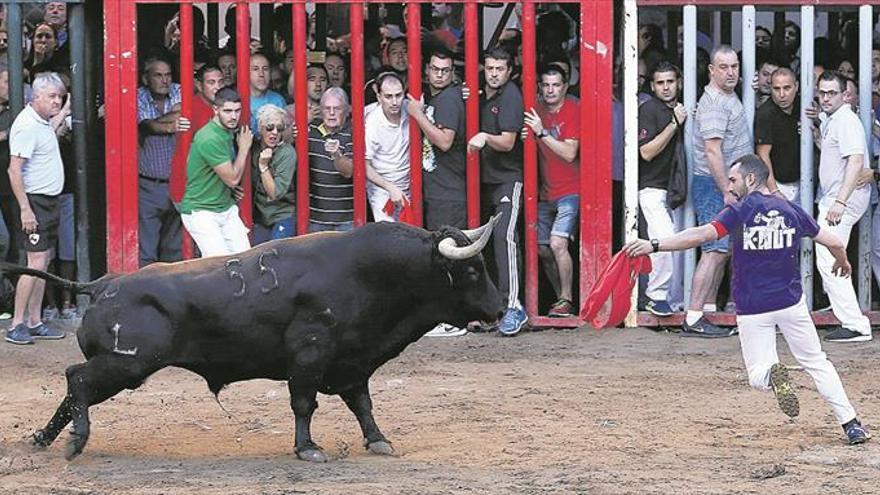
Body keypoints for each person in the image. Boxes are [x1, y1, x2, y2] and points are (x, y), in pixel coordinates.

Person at [625, 155, 871, 445]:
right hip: (790, 303)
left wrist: (654, 244)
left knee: (757, 375)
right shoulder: (791, 210)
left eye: (733, 179)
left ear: (751, 179)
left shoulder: (739, 211)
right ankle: (851, 424)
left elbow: (701, 235)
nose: (729, 186)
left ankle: (772, 377)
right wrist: (843, 262)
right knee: (818, 362)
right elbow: (834, 241)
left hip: (753, 308)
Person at [686, 45, 752, 337]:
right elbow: (713, 151)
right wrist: (727, 188)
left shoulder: (727, 95)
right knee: (714, 250)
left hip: (722, 184)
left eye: (734, 66)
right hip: (714, 184)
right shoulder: (714, 103)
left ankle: (707, 311)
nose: (731, 72)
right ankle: (693, 316)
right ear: (711, 70)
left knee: (721, 252)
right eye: (723, 67)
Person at [407, 48, 468, 338]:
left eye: (445, 70)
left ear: (452, 72)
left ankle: (453, 319)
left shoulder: (449, 100)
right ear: (427, 70)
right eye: (435, 69)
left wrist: (418, 115)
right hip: (441, 189)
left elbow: (444, 141)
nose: (440, 74)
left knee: (449, 257)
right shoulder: (441, 98)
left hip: (450, 192)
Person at [5, 72, 68, 345]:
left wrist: (65, 111)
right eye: (52, 97)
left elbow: (50, 128)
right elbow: (14, 170)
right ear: (36, 97)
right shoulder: (27, 126)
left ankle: (35, 320)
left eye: (60, 96)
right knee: (35, 263)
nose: (57, 101)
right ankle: (17, 324)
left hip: (47, 201)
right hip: (36, 202)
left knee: (43, 261)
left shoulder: (40, 121)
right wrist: (25, 210)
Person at [468, 47, 526, 336]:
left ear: (509, 70)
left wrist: (484, 136)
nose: (493, 74)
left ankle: (515, 306)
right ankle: (493, 308)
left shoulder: (511, 95)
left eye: (499, 69)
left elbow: (507, 142)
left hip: (508, 179)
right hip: (484, 180)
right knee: (483, 242)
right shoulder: (480, 93)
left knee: (505, 237)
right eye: (489, 68)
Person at [814, 71, 872, 343]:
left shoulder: (846, 121)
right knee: (828, 256)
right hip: (838, 197)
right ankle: (850, 319)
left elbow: (855, 161)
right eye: (822, 92)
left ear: (844, 94)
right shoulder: (834, 119)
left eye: (831, 93)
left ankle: (855, 324)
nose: (825, 98)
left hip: (842, 199)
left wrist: (840, 201)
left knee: (829, 257)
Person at [523, 64, 580, 318]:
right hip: (544, 192)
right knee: (542, 249)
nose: (550, 90)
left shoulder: (573, 109)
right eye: (545, 85)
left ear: (565, 86)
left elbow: (569, 153)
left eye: (556, 85)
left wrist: (541, 133)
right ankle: (560, 299)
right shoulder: (535, 109)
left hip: (571, 190)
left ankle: (567, 298)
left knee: (558, 244)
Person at [636, 61, 686, 317]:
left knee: (680, 244)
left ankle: (673, 300)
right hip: (651, 188)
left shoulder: (681, 108)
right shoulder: (650, 110)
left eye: (670, 81)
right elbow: (646, 152)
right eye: (660, 83)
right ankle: (655, 296)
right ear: (653, 86)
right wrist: (674, 125)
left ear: (679, 82)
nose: (666, 87)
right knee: (664, 240)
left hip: (676, 191)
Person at [179, 87, 253, 257]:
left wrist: (229, 191)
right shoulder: (210, 137)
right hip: (201, 211)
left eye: (237, 111)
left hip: (224, 207)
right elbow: (233, 179)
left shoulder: (225, 131)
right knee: (218, 267)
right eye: (227, 111)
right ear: (215, 110)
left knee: (246, 260)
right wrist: (243, 148)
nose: (234, 116)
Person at [137, 56, 188, 267]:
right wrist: (169, 125)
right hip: (148, 185)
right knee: (146, 250)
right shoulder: (137, 96)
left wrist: (159, 123)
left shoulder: (178, 89)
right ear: (145, 78)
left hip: (179, 183)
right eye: (158, 75)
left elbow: (184, 114)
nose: (164, 80)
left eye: (167, 75)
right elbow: (146, 126)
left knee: (175, 251)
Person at [364, 71, 410, 222]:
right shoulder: (372, 122)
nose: (395, 102)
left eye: (398, 95)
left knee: (410, 235)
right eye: (388, 97)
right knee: (388, 236)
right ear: (379, 97)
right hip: (381, 189)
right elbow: (364, 165)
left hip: (409, 185)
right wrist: (389, 187)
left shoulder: (409, 109)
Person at [307, 87, 355, 233]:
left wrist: (337, 155)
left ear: (347, 111)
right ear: (321, 110)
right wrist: (300, 123)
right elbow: (286, 141)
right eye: (327, 108)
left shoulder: (353, 131)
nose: (332, 113)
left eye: (337, 108)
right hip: (316, 217)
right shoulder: (311, 128)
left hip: (346, 218)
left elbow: (349, 172)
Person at [252, 104, 296, 244]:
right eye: (270, 127)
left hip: (283, 215)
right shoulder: (253, 148)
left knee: (275, 255)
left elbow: (275, 193)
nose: (275, 132)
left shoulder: (287, 153)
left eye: (280, 128)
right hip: (259, 216)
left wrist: (263, 167)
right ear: (260, 128)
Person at [755, 68, 801, 202]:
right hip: (779, 184)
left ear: (796, 86)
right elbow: (763, 155)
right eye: (776, 89)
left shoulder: (802, 105)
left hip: (804, 182)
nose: (782, 94)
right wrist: (774, 190)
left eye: (787, 88)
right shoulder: (766, 114)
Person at [249, 52, 287, 134]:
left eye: (265, 69)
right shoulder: (237, 98)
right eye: (255, 69)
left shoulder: (278, 100)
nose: (261, 74)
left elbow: (284, 133)